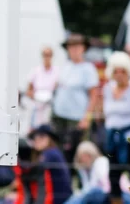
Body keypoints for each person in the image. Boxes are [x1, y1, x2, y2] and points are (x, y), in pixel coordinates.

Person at [90, 51, 130, 204]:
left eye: (122, 71)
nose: (119, 74)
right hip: (114, 138)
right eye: (116, 71)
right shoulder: (107, 90)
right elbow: (101, 115)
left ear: (128, 71)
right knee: (113, 177)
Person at [55, 33, 101, 163]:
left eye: (77, 46)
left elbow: (93, 95)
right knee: (63, 152)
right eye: (71, 47)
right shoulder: (65, 66)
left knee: (80, 153)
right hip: (61, 116)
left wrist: (87, 117)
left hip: (77, 118)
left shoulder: (88, 68)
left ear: (83, 48)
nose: (74, 50)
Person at [29, 125, 74, 203]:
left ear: (50, 139)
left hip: (60, 200)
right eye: (36, 136)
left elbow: (34, 170)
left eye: (42, 136)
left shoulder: (51, 153)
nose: (37, 139)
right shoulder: (52, 152)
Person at [28, 45, 62, 129]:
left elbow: (59, 89)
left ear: (52, 56)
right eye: (45, 55)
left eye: (49, 55)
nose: (47, 57)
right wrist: (36, 97)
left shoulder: (57, 71)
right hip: (37, 105)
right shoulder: (35, 71)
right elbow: (29, 90)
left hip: (51, 106)